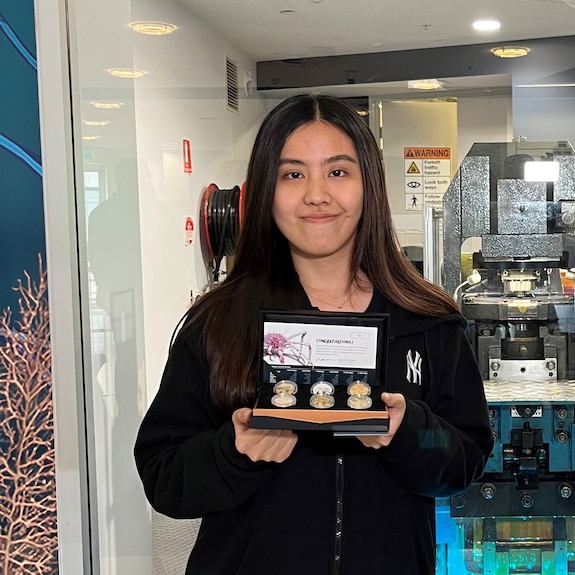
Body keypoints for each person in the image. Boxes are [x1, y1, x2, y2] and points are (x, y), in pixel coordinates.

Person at [134, 94, 494, 574]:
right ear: (266, 189)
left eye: (338, 172)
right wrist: (233, 450)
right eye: (293, 174)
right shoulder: (217, 323)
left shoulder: (427, 322)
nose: (316, 195)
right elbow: (163, 476)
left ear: (368, 185)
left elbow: (464, 460)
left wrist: (409, 432)